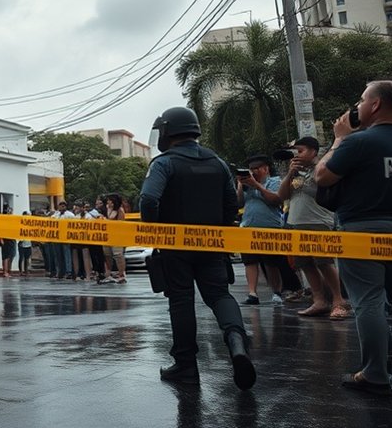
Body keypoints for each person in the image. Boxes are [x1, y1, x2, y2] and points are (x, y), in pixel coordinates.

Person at [140, 106, 255, 390]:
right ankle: (237, 343)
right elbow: (232, 203)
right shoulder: (218, 162)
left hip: (176, 246)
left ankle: (186, 366)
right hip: (212, 244)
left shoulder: (164, 163)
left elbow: (149, 200)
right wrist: (220, 233)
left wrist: (156, 231)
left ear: (167, 131)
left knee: (181, 300)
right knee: (219, 295)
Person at [315, 80, 392, 395]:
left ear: (375, 105)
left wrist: (339, 139)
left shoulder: (359, 142)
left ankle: (375, 373)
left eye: (361, 100)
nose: (357, 106)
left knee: (369, 300)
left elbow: (322, 176)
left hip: (363, 230)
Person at [276, 137, 350, 320]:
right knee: (304, 263)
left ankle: (338, 301)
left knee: (324, 262)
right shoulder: (295, 172)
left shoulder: (322, 169)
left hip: (319, 222)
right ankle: (319, 300)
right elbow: (282, 196)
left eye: (300, 151)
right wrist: (290, 174)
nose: (296, 155)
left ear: (314, 152)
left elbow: (323, 189)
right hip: (295, 223)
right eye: (295, 151)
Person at [237, 154, 288, 305]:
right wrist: (240, 184)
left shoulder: (275, 182)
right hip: (248, 226)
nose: (253, 172)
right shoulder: (247, 185)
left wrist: (256, 185)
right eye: (250, 169)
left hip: (269, 227)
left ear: (265, 169)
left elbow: (276, 200)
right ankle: (252, 293)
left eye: (256, 169)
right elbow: (239, 203)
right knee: (250, 261)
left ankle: (276, 292)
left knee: (271, 263)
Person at [102, 194, 127, 284]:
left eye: (110, 200)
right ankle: (108, 274)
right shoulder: (105, 209)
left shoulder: (120, 210)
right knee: (107, 254)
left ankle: (121, 275)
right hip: (106, 236)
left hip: (117, 236)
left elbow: (120, 224)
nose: (108, 202)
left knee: (118, 255)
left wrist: (108, 222)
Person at [0, 205, 16, 277]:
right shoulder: (3, 220)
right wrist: (1, 239)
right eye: (9, 211)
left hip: (12, 239)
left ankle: (9, 270)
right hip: (5, 240)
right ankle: (5, 271)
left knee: (12, 255)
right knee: (6, 257)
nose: (10, 212)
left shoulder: (13, 220)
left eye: (11, 211)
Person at [17, 211, 33, 275]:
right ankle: (20, 271)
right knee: (21, 258)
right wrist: (20, 240)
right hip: (21, 243)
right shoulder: (20, 223)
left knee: (27, 258)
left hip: (28, 243)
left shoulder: (30, 224)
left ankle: (26, 270)